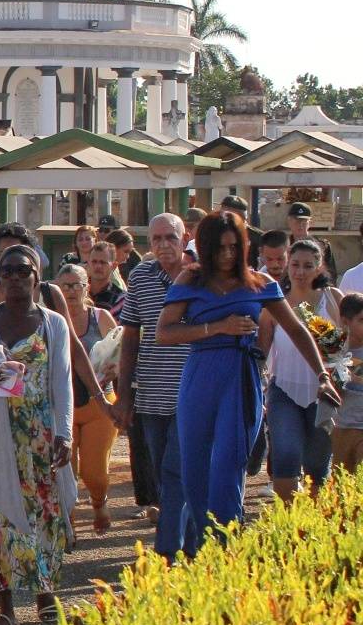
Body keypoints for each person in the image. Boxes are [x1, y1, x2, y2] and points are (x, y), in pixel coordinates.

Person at [156, 212, 333, 555]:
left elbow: (296, 329)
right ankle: (200, 549)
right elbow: (164, 333)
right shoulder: (191, 279)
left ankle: (225, 548)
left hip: (240, 379)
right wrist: (217, 327)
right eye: (219, 247)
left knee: (228, 467)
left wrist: (322, 376)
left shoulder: (260, 283)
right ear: (206, 247)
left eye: (234, 247)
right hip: (200, 377)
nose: (227, 254)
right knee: (194, 470)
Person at [0, 244, 74, 625]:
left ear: (37, 277)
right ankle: (5, 608)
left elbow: (62, 382)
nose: (14, 278)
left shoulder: (53, 323)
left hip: (39, 435)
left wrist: (65, 433)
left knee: (43, 515)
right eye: (6, 271)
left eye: (23, 271)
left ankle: (46, 597)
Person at [115, 213, 190, 553]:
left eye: (170, 237)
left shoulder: (199, 276)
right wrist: (124, 396)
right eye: (156, 239)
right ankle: (180, 536)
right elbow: (130, 336)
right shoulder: (141, 277)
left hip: (191, 390)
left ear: (184, 238)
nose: (163, 245)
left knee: (177, 469)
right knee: (161, 471)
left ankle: (172, 547)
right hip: (151, 391)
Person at [260, 239, 341, 503]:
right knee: (285, 454)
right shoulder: (276, 303)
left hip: (324, 393)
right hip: (283, 388)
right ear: (287, 265)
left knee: (317, 464)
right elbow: (262, 350)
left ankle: (314, 517)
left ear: (319, 267)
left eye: (308, 266)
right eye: (295, 265)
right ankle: (287, 515)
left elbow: (350, 342)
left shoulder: (333, 299)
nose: (300, 272)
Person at [55, 263, 118, 532]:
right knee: (64, 470)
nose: (70, 291)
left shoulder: (101, 318)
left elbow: (121, 351)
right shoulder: (50, 319)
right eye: (65, 286)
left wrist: (116, 368)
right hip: (62, 405)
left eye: (76, 285)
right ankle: (67, 521)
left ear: (86, 288)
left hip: (99, 405)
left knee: (94, 472)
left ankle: (99, 501)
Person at [328, 293, 363, 475]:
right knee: (342, 482)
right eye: (362, 320)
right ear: (345, 321)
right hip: (342, 426)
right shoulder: (335, 350)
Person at [283, 201, 337, 279]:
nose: (300, 225)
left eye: (304, 222)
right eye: (296, 221)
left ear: (310, 223)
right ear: (289, 222)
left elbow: (331, 275)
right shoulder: (284, 246)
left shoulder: (322, 246)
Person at [87, 240, 127, 313]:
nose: (98, 266)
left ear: (114, 266)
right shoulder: (79, 291)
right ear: (88, 263)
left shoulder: (120, 299)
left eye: (103, 262)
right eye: (94, 261)